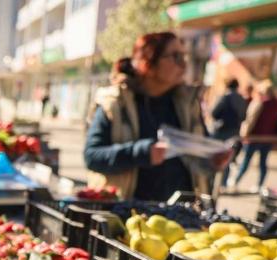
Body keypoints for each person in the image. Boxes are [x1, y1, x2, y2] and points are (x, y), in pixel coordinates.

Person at [84, 32, 230, 201]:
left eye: (184, 56)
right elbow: (92, 156)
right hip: (130, 214)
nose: (183, 64)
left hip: (182, 216)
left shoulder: (188, 104)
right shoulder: (115, 103)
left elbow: (198, 160)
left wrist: (213, 161)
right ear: (148, 62)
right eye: (175, 56)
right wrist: (142, 153)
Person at [232, 80, 277, 192]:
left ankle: (235, 182)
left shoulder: (260, 103)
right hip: (268, 139)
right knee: (263, 163)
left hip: (254, 137)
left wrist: (245, 135)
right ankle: (259, 185)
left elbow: (251, 121)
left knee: (246, 161)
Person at [211, 78, 247, 189]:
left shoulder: (225, 97)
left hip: (221, 131)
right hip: (234, 132)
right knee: (228, 157)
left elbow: (215, 113)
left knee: (214, 155)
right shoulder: (242, 99)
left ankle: (212, 180)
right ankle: (223, 182)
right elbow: (244, 116)